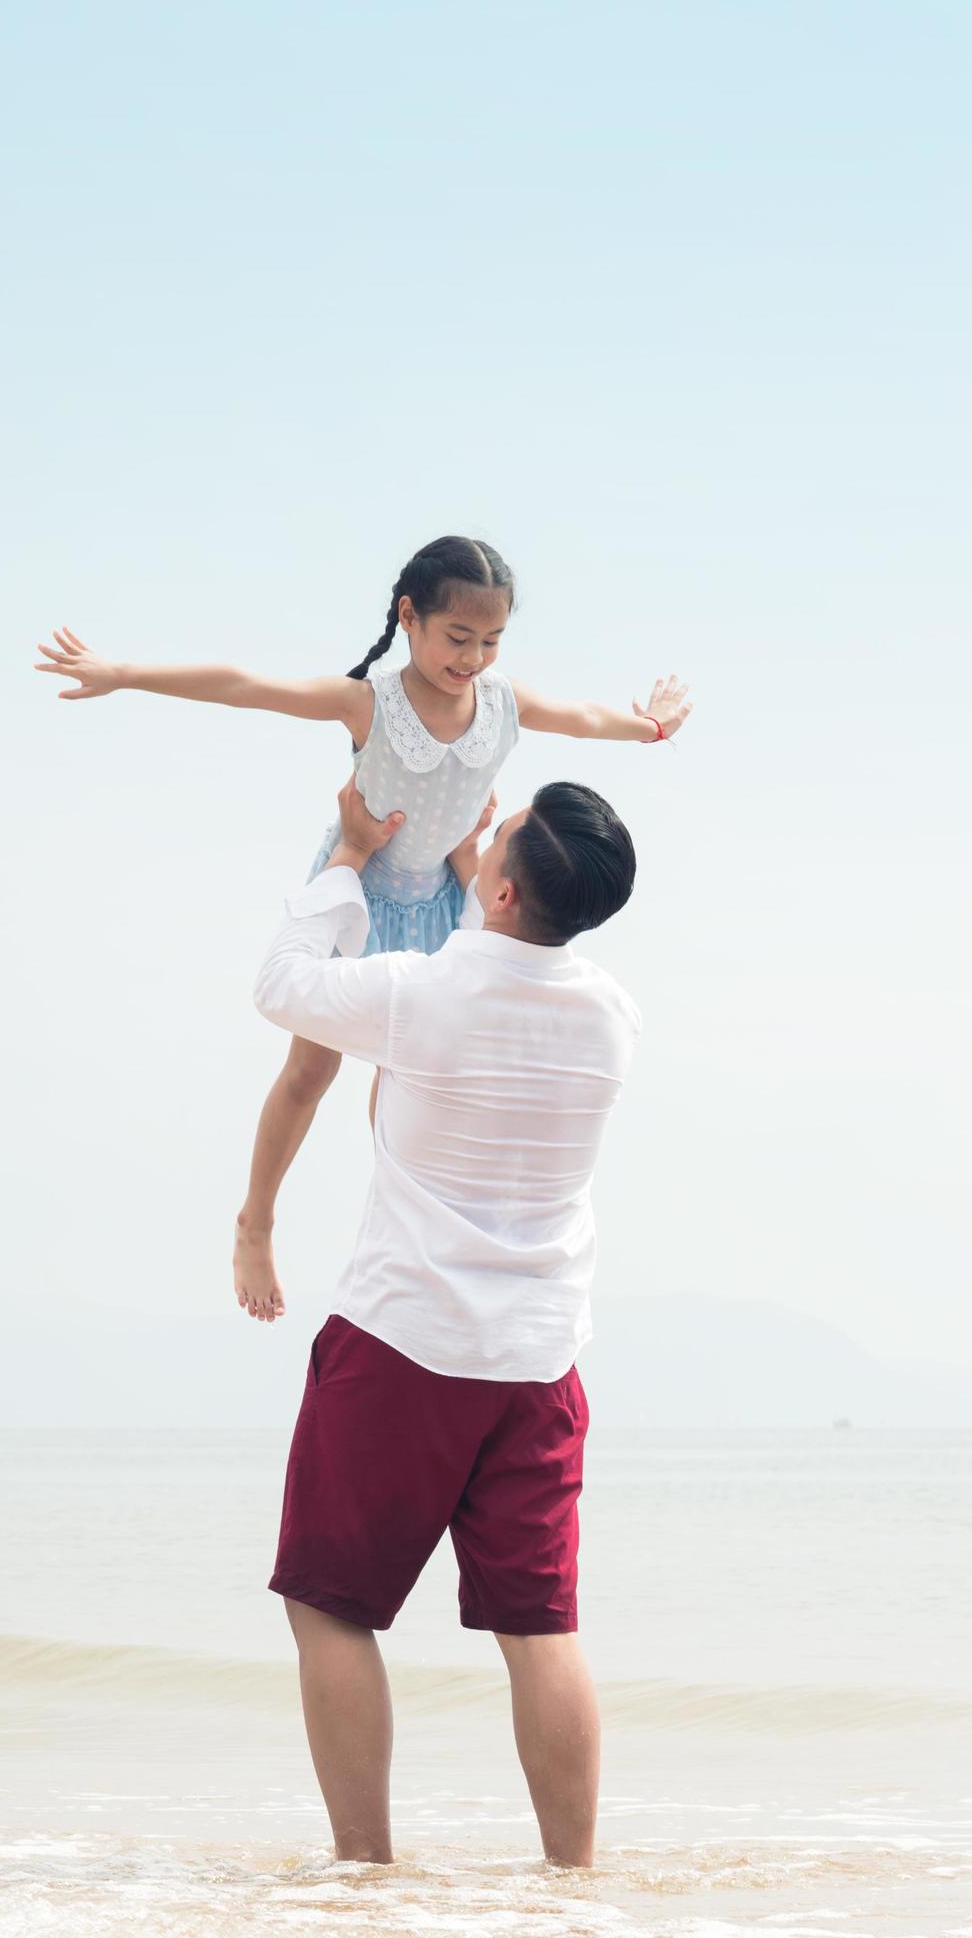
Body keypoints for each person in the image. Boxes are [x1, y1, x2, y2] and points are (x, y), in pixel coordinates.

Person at [33, 535, 687, 1322]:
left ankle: (417, 1245)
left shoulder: (504, 704)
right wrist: (124, 675)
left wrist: (647, 729)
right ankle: (257, 1219)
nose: (474, 657)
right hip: (362, 885)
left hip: (449, 893)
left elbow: (583, 719)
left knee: (410, 1083)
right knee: (312, 1073)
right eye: (457, 637)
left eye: (491, 641)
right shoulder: (371, 702)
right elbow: (248, 687)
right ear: (409, 618)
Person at [248, 771, 645, 1869]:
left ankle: (365, 1871)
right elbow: (509, 945)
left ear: (507, 890)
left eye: (501, 832)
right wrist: (482, 861)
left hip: (404, 1343)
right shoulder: (612, 1015)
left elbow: (279, 984)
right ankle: (572, 1883)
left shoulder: (415, 994)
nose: (490, 828)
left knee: (330, 1607)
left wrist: (341, 857)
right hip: (536, 1361)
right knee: (540, 1629)